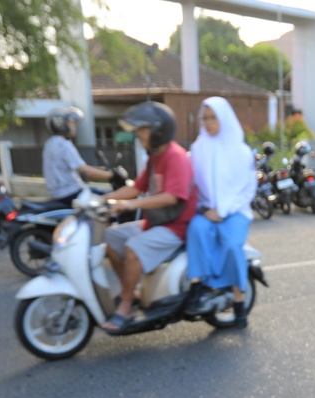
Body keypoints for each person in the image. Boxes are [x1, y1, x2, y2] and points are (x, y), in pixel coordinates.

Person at [99, 101, 197, 333]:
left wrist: (130, 204)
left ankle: (125, 306)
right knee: (111, 239)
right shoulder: (155, 157)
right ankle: (130, 292)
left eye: (143, 129)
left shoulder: (175, 157)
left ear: (159, 130)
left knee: (133, 247)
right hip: (156, 222)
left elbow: (173, 197)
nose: (138, 134)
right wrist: (105, 199)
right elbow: (136, 187)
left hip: (176, 226)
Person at [184, 97, 255, 328]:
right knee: (196, 230)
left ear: (224, 117)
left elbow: (248, 190)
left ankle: (238, 303)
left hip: (235, 212)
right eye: (204, 118)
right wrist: (205, 210)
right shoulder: (197, 149)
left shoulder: (241, 152)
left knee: (232, 245)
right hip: (206, 211)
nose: (208, 122)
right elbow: (190, 184)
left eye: (213, 117)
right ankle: (197, 287)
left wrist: (224, 211)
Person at [42, 106, 112, 204]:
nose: (75, 126)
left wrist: (99, 169)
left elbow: (74, 167)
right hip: (70, 193)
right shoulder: (64, 144)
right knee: (106, 198)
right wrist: (111, 175)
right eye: (72, 123)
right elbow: (83, 170)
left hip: (59, 193)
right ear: (61, 125)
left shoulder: (50, 143)